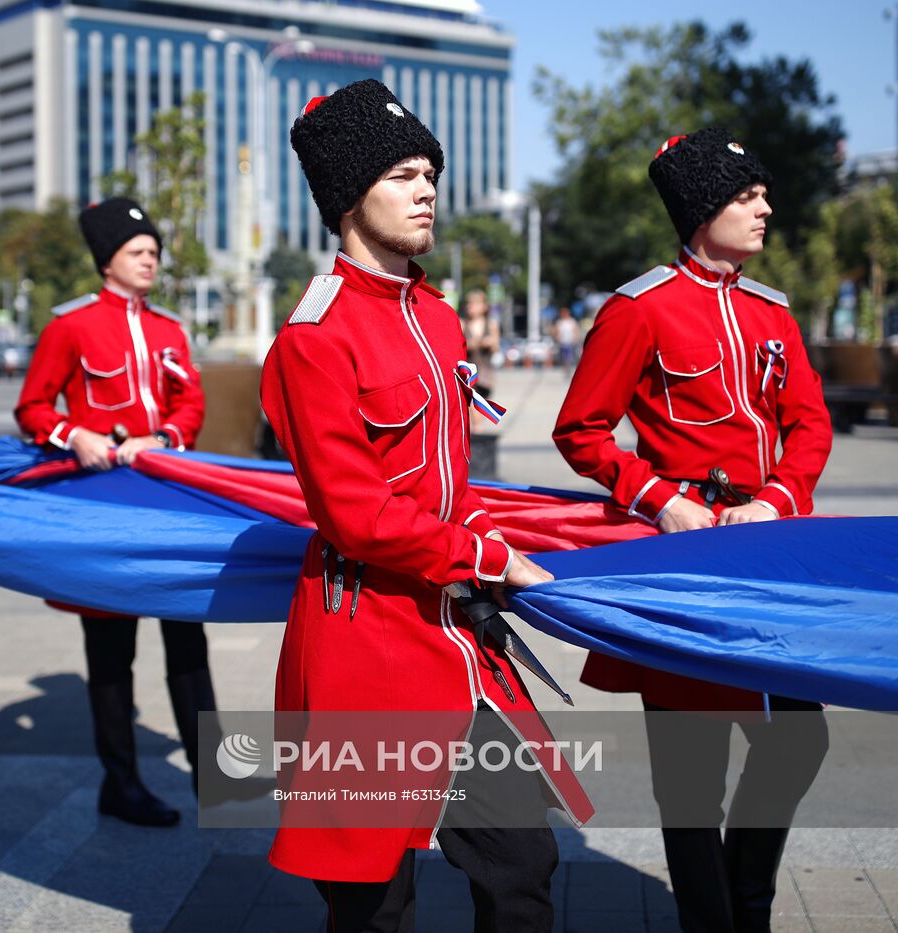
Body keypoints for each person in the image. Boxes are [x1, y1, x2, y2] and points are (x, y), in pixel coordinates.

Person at [262, 79, 593, 933]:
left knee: (523, 862)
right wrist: (488, 559)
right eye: (403, 174)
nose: (426, 190)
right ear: (347, 198)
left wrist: (488, 541)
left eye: (429, 173)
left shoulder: (438, 320)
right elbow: (355, 515)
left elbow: (448, 483)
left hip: (456, 638)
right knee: (373, 901)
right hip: (363, 641)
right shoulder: (312, 337)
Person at [553, 127, 833, 933]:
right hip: (682, 563)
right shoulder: (638, 310)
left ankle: (749, 905)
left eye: (762, 194)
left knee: (797, 742)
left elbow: (809, 425)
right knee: (690, 779)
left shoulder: (771, 310)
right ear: (704, 207)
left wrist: (779, 496)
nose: (765, 208)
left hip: (768, 550)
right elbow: (582, 429)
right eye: (748, 197)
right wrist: (656, 496)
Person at [14, 197, 212, 828]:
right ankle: (120, 782)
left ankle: (217, 779)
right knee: (109, 647)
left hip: (167, 501)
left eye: (154, 250)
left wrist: (168, 438)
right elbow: (33, 408)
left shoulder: (170, 329)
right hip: (102, 507)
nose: (151, 258)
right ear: (108, 262)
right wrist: (74, 434)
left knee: (188, 637)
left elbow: (190, 404)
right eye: (138, 251)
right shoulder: (69, 327)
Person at [460, 288, 499, 396]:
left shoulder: (491, 325)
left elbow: (496, 348)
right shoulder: (462, 324)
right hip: (468, 376)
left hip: (486, 376)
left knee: (483, 408)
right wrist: (472, 344)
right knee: (471, 409)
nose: (471, 306)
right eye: (469, 303)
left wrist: (489, 343)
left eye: (475, 303)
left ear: (484, 306)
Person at [552, 307, 580, 372]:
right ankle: (565, 367)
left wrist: (575, 338)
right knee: (564, 356)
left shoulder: (572, 321)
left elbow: (575, 330)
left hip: (570, 341)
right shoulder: (559, 322)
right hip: (562, 342)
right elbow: (556, 331)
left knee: (570, 355)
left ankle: (569, 367)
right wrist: (556, 338)